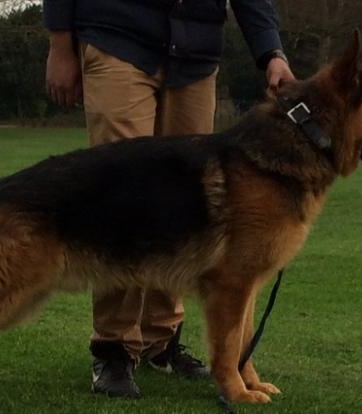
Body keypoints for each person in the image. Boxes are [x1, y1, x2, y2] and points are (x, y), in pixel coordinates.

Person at [43, 0, 295, 399]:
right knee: (123, 200)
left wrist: (272, 52)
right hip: (118, 37)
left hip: (194, 56)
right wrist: (60, 45)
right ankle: (114, 347)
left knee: (187, 206)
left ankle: (161, 339)